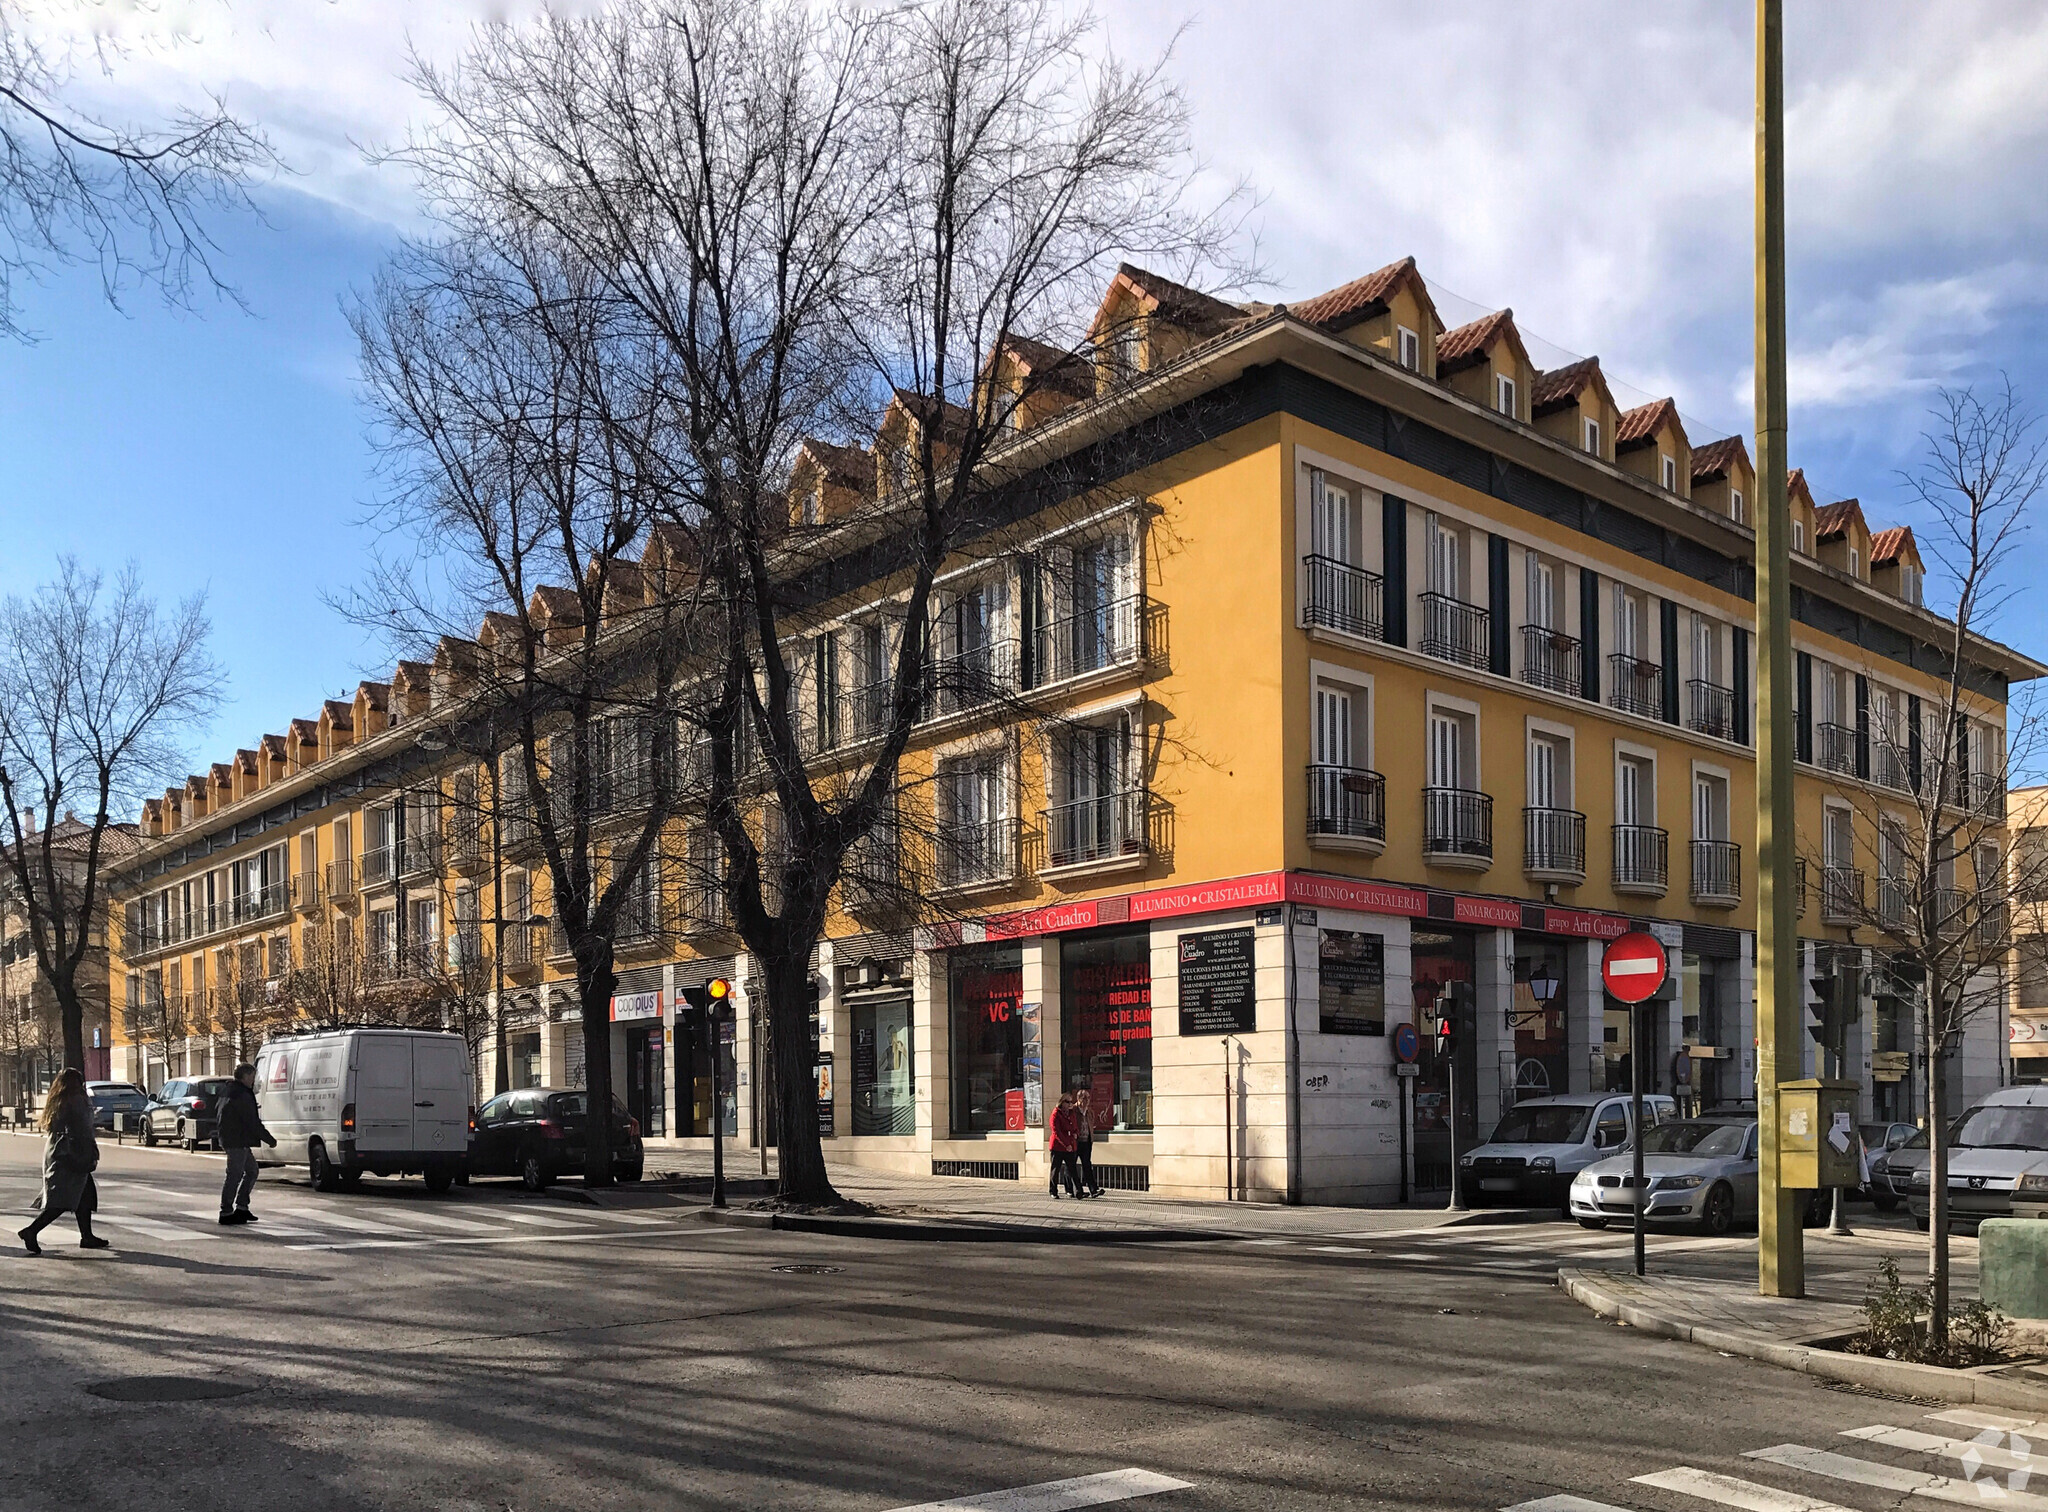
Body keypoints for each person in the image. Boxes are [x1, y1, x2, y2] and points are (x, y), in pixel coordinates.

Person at [18, 1068, 108, 1255]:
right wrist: (89, 1152)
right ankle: (31, 1231)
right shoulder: (75, 1101)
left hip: (61, 1151)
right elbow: (82, 1128)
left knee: (83, 1195)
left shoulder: (59, 1100)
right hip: (70, 1155)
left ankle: (87, 1236)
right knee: (62, 1199)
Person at [216, 1063, 278, 1226]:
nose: (253, 1080)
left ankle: (242, 1207)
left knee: (251, 1171)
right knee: (235, 1175)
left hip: (235, 1138)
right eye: (252, 1076)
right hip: (236, 1140)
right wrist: (269, 1139)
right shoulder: (241, 1094)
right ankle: (226, 1211)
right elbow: (252, 1121)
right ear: (244, 1076)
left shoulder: (229, 1090)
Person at [1048, 1091, 1082, 1199]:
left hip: (1070, 1146)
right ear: (1062, 1102)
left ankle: (1078, 1190)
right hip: (1058, 1146)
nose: (1069, 1104)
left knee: (1072, 1169)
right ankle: (1053, 1190)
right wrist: (1066, 1144)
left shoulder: (1071, 1114)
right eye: (1067, 1102)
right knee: (1055, 1169)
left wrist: (1076, 1133)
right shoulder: (1056, 1114)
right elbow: (1056, 1131)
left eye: (1071, 1102)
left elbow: (1075, 1126)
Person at [1073, 1084, 1102, 1197]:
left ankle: (1093, 1190)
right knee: (1072, 1166)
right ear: (1078, 1099)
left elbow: (1091, 1125)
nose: (1086, 1101)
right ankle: (1070, 1189)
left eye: (1088, 1099)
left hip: (1086, 1142)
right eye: (1084, 1099)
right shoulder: (1073, 1110)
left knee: (1087, 1165)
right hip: (1075, 1142)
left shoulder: (1089, 1112)